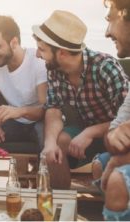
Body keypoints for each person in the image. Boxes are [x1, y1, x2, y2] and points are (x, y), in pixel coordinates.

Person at [32, 10, 129, 189]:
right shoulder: (54, 69)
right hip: (85, 129)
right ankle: (60, 203)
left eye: (42, 49)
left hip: (115, 131)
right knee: (57, 144)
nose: (37, 55)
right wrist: (49, 143)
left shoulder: (105, 67)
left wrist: (90, 132)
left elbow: (127, 119)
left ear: (61, 53)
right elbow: (53, 109)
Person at [0, 15, 47, 152]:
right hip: (15, 123)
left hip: (40, 121)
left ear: (14, 42)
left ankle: (44, 173)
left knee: (46, 135)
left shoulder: (38, 62)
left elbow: (46, 109)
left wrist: (19, 111)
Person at [91, 0, 130, 220]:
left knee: (118, 179)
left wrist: (121, 159)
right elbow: (116, 127)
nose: (107, 33)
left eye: (110, 19)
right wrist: (116, 136)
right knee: (102, 163)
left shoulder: (104, 67)